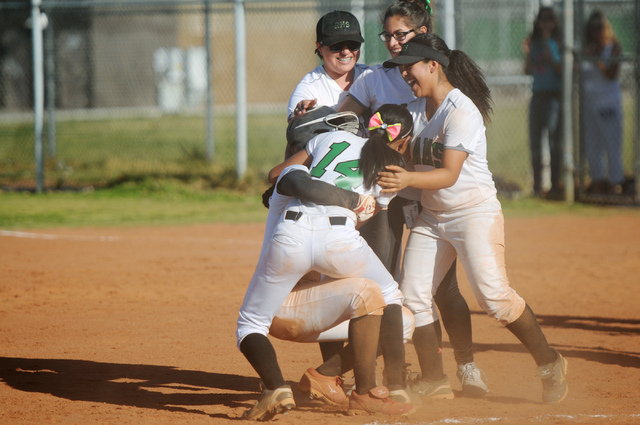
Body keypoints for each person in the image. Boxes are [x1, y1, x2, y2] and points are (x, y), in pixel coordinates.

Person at [379, 32, 569, 405]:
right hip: (434, 217)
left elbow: (449, 173)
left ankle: (550, 363)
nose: (404, 75)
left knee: (495, 298)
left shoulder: (461, 110)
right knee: (412, 295)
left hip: (474, 213)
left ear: (433, 65)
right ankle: (434, 378)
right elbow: (393, 146)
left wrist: (407, 178)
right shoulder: (417, 111)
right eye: (401, 69)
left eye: (409, 66)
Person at [336, 0, 487, 398]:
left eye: (400, 34)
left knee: (443, 288)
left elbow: (457, 134)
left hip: (426, 190)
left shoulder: (438, 73)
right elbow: (347, 121)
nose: (391, 43)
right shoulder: (373, 78)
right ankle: (405, 373)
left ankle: (466, 365)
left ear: (422, 34)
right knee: (386, 281)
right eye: (387, 35)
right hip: (388, 189)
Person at [237, 105, 416, 419]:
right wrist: (353, 203)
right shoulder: (383, 162)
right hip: (339, 242)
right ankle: (382, 387)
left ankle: (278, 386)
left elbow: (282, 176)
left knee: (250, 325)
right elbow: (378, 237)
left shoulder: (299, 168)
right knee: (390, 300)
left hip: (290, 250)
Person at [581, 9, 625, 195]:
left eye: (600, 27)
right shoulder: (586, 49)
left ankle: (615, 183)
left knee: (612, 145)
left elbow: (612, 74)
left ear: (607, 28)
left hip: (608, 104)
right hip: (589, 105)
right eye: (592, 28)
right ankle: (598, 181)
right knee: (592, 146)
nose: (596, 32)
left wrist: (596, 60)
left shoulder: (612, 47)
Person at [523, 6, 564, 199]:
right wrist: (528, 52)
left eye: (549, 20)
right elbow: (527, 70)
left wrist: (549, 43)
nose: (545, 23)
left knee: (555, 142)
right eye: (542, 20)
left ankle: (556, 185)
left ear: (554, 23)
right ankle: (538, 187)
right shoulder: (535, 43)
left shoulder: (558, 42)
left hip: (554, 96)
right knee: (535, 143)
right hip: (537, 95)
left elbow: (560, 69)